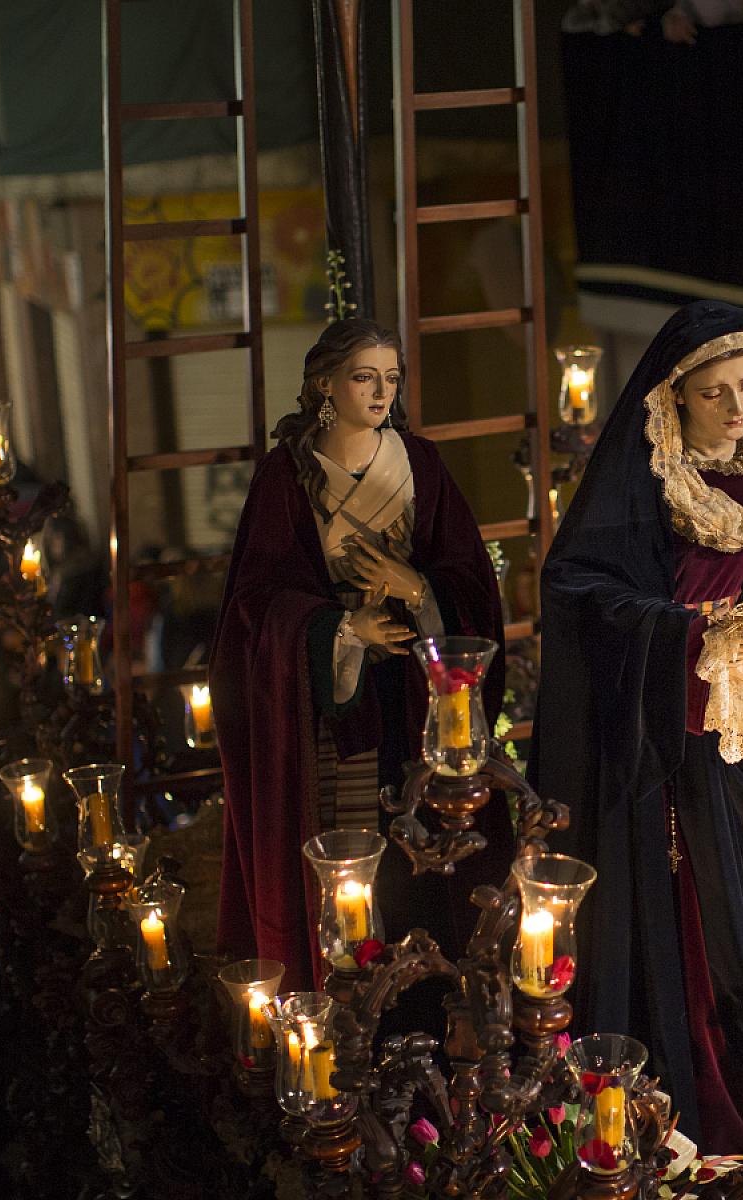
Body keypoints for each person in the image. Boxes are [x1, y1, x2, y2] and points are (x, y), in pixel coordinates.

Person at [533, 301, 743, 1151]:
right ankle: (686, 1107)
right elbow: (578, 588)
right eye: (715, 392)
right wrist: (685, 634)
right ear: (674, 395)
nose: (737, 407)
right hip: (669, 733)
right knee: (693, 910)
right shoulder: (645, 474)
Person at [212, 319, 505, 988]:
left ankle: (434, 994)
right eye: (364, 377)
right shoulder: (285, 477)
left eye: (391, 379)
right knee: (353, 863)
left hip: (418, 694)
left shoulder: (420, 464)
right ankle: (354, 998)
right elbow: (255, 603)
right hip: (334, 703)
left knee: (425, 850)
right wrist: (341, 631)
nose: (381, 393)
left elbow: (470, 579)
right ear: (325, 384)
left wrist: (416, 587)